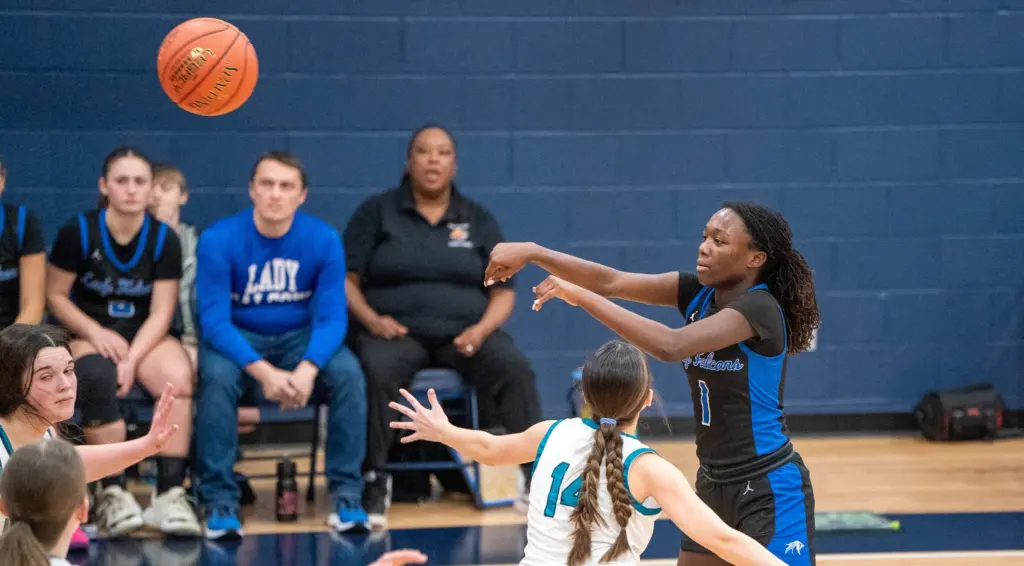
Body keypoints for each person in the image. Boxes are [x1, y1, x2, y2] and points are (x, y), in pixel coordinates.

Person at [484, 202, 821, 566]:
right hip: (712, 481)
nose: (704, 247)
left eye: (719, 241)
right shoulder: (697, 293)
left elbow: (670, 345)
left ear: (756, 258)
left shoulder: (760, 308)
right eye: (705, 237)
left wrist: (580, 297)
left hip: (769, 484)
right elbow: (611, 282)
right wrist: (535, 253)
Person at [391, 340, 787, 566]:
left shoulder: (550, 432)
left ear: (586, 397)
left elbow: (490, 450)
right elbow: (722, 539)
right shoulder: (650, 469)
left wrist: (444, 431)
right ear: (647, 399)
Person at [344, 124, 541, 527]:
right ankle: (375, 478)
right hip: (396, 335)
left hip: (465, 335)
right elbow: (346, 280)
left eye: (443, 152)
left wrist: (481, 330)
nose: (433, 159)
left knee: (514, 367)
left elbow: (504, 293)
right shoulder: (377, 212)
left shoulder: (476, 218)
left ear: (454, 164)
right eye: (424, 151)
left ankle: (535, 476)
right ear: (408, 161)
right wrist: (372, 320)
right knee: (376, 369)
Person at [194, 150, 368, 539]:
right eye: (267, 184)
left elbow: (333, 318)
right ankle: (219, 501)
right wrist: (265, 373)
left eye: (286, 186)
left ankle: (347, 496)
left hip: (297, 337)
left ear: (301, 195)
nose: (276, 194)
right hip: (239, 336)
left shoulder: (323, 239)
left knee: (348, 374)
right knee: (216, 378)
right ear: (252, 190)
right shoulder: (219, 239)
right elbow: (215, 323)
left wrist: (307, 369)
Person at [45, 146, 200, 537]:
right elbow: (55, 295)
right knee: (97, 375)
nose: (131, 189)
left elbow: (162, 311)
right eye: (122, 180)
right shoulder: (78, 231)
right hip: (88, 331)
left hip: (145, 335)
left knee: (178, 378)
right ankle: (112, 491)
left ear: (151, 189)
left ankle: (170, 493)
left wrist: (131, 358)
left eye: (139, 181)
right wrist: (96, 333)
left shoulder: (165, 238)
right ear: (104, 186)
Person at [0, 324, 180, 532]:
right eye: (46, 377)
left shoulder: (44, 431)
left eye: (68, 371)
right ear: (11, 385)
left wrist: (146, 446)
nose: (65, 384)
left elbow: (68, 464)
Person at [0, 156, 46, 327]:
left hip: (11, 334)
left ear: (2, 180)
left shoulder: (22, 223)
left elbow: (33, 306)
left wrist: (9, 342)